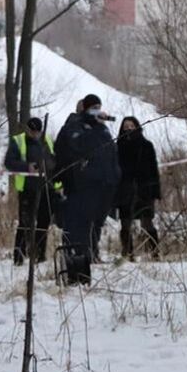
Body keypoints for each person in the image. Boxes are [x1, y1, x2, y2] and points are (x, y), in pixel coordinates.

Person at [53, 94, 120, 285]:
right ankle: (74, 275)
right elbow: (80, 146)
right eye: (93, 107)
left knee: (92, 228)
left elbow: (110, 155)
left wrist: (115, 177)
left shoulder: (102, 129)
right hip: (78, 186)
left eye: (99, 106)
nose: (98, 111)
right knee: (76, 230)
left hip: (101, 188)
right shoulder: (74, 126)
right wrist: (95, 126)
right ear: (84, 109)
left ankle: (85, 268)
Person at [4, 116, 60, 266]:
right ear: (27, 129)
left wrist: (54, 177)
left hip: (46, 187)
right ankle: (19, 256)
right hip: (27, 188)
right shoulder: (18, 141)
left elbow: (55, 161)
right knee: (25, 223)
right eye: (32, 131)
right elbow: (9, 162)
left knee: (43, 223)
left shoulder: (48, 140)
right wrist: (26, 167)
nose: (35, 134)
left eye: (37, 132)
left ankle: (40, 255)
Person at [116, 116, 161, 260]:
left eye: (131, 125)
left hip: (144, 190)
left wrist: (155, 191)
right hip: (125, 190)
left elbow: (154, 169)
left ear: (137, 126)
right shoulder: (118, 146)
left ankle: (154, 252)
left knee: (147, 223)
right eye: (125, 126)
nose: (128, 128)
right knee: (125, 224)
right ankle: (127, 253)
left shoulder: (146, 145)